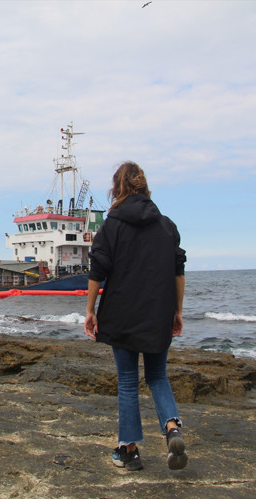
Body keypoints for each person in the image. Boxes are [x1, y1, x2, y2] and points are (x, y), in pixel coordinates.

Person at [84, 161, 188, 471]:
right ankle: (172, 428)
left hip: (122, 313)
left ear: (117, 189)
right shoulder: (166, 226)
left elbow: (97, 270)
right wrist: (178, 311)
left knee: (128, 382)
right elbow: (178, 271)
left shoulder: (112, 225)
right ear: (144, 186)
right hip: (158, 312)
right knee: (158, 376)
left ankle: (129, 451)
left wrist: (90, 311)